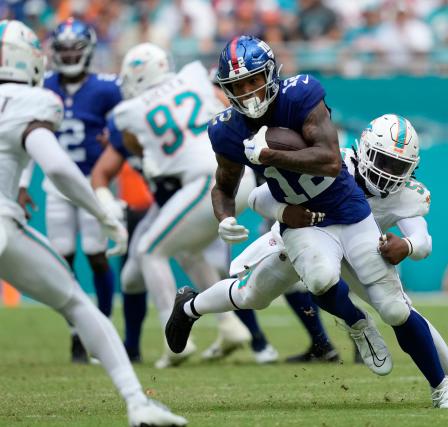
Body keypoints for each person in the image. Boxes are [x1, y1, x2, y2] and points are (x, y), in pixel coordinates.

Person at [193, 36, 448, 407]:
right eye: (238, 86)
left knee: (396, 308)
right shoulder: (226, 130)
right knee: (289, 285)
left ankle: (447, 386)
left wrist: (267, 154)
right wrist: (226, 216)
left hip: (349, 214)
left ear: (271, 75)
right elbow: (233, 189)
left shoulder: (302, 95)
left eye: (253, 80)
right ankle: (355, 322)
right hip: (299, 222)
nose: (247, 92)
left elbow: (328, 161)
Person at [166, 113, 448, 405]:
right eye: (385, 161)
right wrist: (287, 214)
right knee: (249, 295)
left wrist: (406, 245)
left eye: (398, 166)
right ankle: (190, 307)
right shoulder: (332, 162)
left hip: (361, 250)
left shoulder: (406, 194)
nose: (389, 173)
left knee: (399, 309)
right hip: (310, 238)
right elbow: (261, 196)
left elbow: (422, 240)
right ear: (364, 150)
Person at [0, 19, 186, 426]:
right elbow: (60, 169)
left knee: (85, 269)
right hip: (11, 218)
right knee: (76, 302)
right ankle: (137, 402)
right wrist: (103, 211)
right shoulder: (30, 101)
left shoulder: (91, 90)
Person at [92, 43, 266, 368]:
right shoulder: (193, 75)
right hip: (235, 173)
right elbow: (227, 108)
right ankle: (231, 326)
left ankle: (174, 342)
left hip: (205, 182)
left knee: (147, 250)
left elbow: (129, 142)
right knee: (184, 250)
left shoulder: (127, 111)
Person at [18, 18, 121, 363]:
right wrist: (21, 183)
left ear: (88, 51)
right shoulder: (43, 85)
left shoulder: (107, 88)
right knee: (61, 257)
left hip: (93, 182)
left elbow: (126, 128)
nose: (67, 55)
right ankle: (78, 330)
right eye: (61, 50)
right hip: (56, 185)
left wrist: (115, 140)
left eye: (74, 49)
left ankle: (103, 325)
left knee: (95, 253)